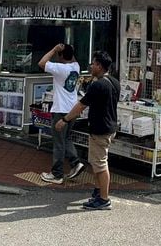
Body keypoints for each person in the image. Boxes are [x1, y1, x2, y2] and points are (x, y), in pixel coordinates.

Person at [56, 50, 120, 211]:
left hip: (100, 129)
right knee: (96, 162)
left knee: (100, 164)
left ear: (99, 65)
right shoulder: (114, 82)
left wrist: (65, 120)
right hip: (109, 126)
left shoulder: (98, 85)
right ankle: (98, 192)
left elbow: (81, 105)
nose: (91, 66)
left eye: (93, 63)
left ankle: (104, 199)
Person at [38, 42, 84, 184]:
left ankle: (56, 174)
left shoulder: (60, 68)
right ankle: (76, 163)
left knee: (58, 142)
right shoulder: (76, 66)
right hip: (72, 109)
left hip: (60, 110)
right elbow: (71, 57)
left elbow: (41, 63)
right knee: (66, 138)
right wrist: (67, 50)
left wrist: (54, 49)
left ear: (61, 56)